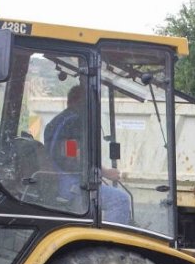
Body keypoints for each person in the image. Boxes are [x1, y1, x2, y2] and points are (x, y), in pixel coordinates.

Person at [44, 86, 131, 224]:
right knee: (120, 200)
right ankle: (109, 243)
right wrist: (105, 172)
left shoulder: (54, 122)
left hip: (57, 182)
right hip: (70, 185)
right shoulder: (74, 122)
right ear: (80, 101)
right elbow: (71, 159)